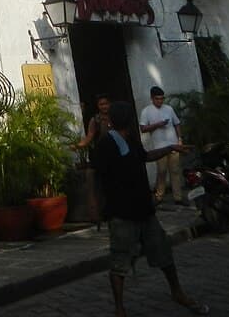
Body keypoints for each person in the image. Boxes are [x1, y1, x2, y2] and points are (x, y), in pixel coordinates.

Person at [93, 101, 209, 317]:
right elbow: (98, 178)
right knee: (120, 261)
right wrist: (99, 208)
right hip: (121, 213)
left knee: (163, 252)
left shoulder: (131, 140)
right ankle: (120, 309)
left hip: (144, 210)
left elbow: (145, 156)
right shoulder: (105, 144)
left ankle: (177, 291)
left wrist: (170, 148)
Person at [139, 86, 185, 204]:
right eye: (157, 99)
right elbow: (143, 128)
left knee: (175, 171)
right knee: (162, 171)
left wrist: (180, 139)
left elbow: (177, 124)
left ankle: (178, 198)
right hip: (160, 148)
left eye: (161, 99)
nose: (160, 101)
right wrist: (157, 124)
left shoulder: (169, 109)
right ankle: (159, 196)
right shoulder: (146, 111)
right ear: (152, 98)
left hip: (173, 144)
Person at [73, 93, 113, 223]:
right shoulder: (95, 120)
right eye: (101, 104)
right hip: (102, 156)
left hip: (116, 154)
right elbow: (89, 137)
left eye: (106, 103)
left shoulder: (116, 117)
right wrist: (78, 145)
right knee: (104, 185)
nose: (104, 107)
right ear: (98, 106)